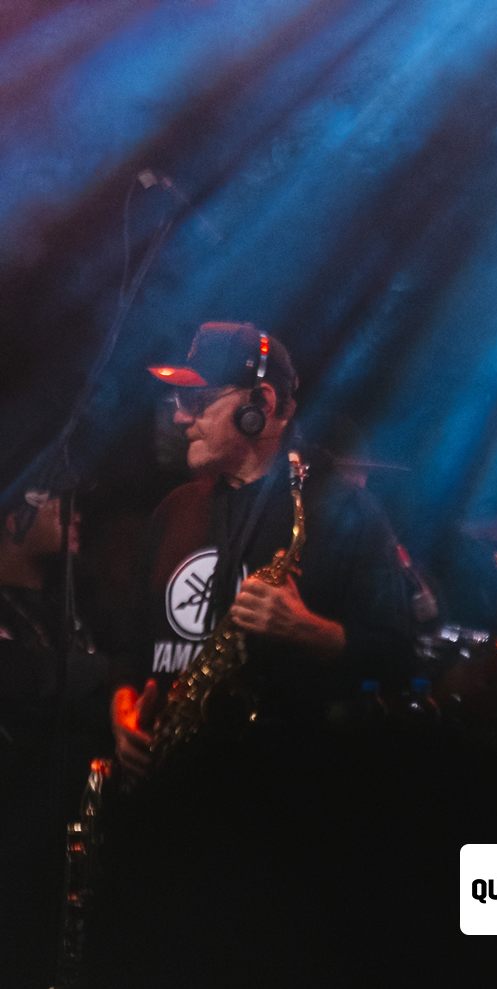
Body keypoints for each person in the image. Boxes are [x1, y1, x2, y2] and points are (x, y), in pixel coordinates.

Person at [95, 322, 414, 986]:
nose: (178, 417)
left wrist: (309, 629)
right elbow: (131, 648)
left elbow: (399, 653)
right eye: (177, 400)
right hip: (171, 806)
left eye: (197, 399)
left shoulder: (340, 510)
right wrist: (124, 708)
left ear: (261, 405)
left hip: (277, 814)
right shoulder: (174, 509)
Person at [0, 486, 109, 989]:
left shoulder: (68, 606)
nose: (74, 514)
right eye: (53, 498)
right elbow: (29, 677)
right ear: (12, 519)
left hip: (60, 846)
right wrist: (116, 675)